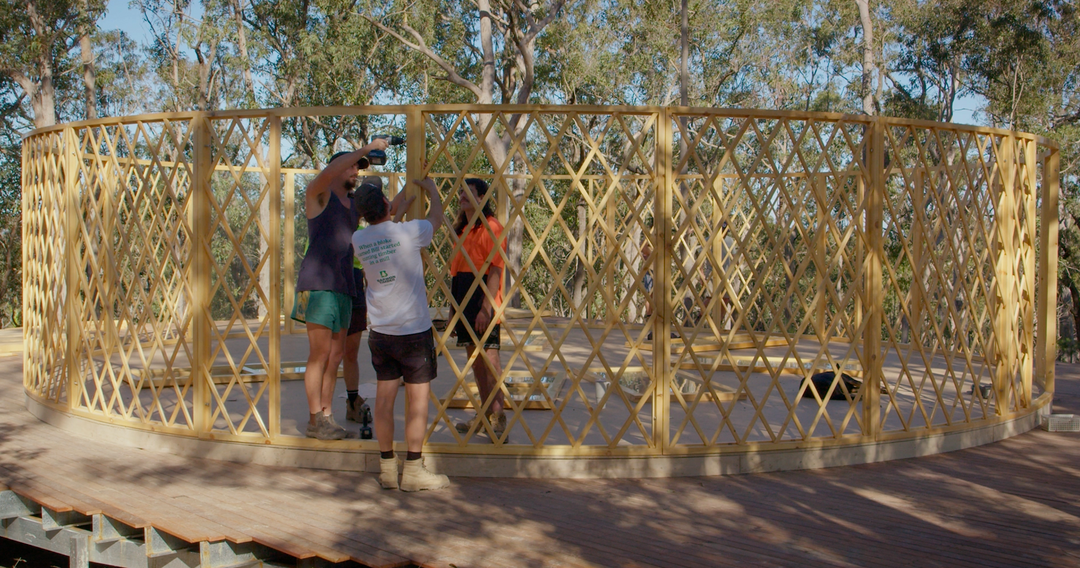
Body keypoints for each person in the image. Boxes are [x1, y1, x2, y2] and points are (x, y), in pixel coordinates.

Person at [352, 177, 449, 492]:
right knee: (417, 402)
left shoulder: (360, 239)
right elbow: (436, 217)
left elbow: (385, 226)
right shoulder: (409, 232)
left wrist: (395, 204)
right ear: (386, 204)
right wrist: (432, 190)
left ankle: (387, 470)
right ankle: (413, 471)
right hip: (413, 330)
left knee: (384, 400)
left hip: (380, 332)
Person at [291, 140, 388, 441]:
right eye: (351, 166)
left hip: (345, 286)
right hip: (319, 285)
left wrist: (413, 189)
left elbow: (386, 210)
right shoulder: (318, 196)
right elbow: (326, 173)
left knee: (335, 356)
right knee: (319, 354)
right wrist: (364, 149)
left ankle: (327, 416)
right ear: (335, 170)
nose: (356, 171)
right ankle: (313, 419)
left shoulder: (352, 207)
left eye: (358, 167)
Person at [449, 179, 508, 441]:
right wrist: (453, 308)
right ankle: (484, 414)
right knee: (475, 361)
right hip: (463, 293)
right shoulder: (462, 229)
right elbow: (454, 272)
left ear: (482, 197)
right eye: (461, 192)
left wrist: (486, 307)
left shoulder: (492, 227)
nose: (462, 196)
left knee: (490, 360)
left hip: (482, 294)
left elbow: (495, 269)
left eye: (468, 192)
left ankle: (498, 417)